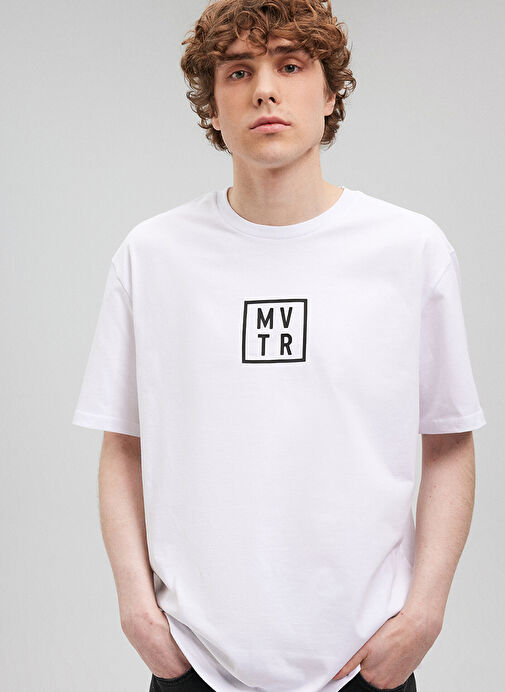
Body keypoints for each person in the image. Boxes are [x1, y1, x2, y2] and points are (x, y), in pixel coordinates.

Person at [71, 1, 487, 691]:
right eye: (238, 72)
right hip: (195, 661)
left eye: (290, 66)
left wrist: (424, 615)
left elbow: (448, 440)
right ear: (212, 107)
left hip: (363, 665)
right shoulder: (153, 255)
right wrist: (137, 610)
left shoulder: (409, 250)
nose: (264, 89)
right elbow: (122, 444)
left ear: (329, 95)